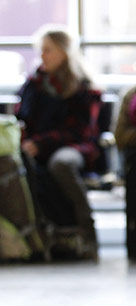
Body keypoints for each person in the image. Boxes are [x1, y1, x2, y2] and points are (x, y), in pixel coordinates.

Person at [15, 25, 102, 258]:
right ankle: (33, 238)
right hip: (35, 146)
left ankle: (87, 230)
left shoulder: (83, 88)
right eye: (40, 51)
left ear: (64, 52)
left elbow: (80, 131)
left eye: (47, 50)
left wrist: (41, 143)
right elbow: (20, 119)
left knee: (60, 164)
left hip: (74, 147)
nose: (42, 56)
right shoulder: (33, 85)